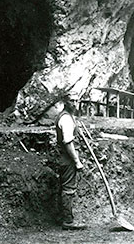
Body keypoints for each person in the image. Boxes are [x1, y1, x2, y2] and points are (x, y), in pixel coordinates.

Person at [55, 93, 87, 230]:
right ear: (65, 102)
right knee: (68, 189)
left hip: (63, 157)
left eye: (76, 100)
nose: (74, 103)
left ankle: (61, 217)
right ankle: (68, 221)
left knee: (64, 187)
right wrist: (77, 161)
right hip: (67, 158)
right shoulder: (66, 119)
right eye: (71, 101)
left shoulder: (68, 117)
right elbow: (68, 142)